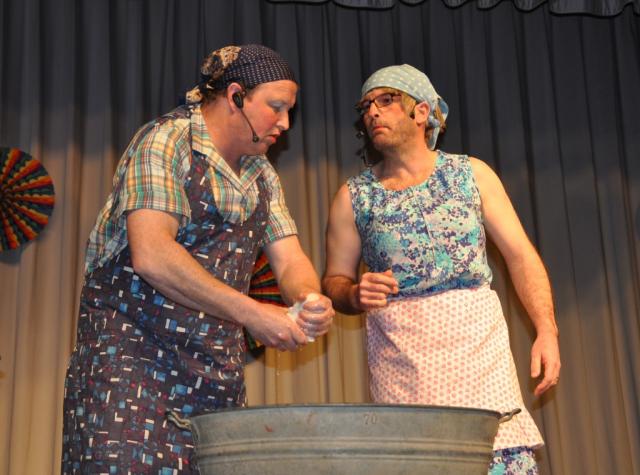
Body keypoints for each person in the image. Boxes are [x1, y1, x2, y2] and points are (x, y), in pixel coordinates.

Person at [62, 44, 334, 473]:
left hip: (213, 374)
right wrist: (253, 313)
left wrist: (308, 300)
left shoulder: (261, 173)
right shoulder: (166, 141)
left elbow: (290, 260)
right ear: (236, 96)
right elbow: (152, 254)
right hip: (131, 365)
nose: (285, 123)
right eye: (276, 107)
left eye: (289, 111)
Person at [322, 64, 561, 473]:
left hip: (479, 357)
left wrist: (546, 329)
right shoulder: (354, 196)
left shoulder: (472, 174)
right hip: (402, 366)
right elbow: (333, 281)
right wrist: (354, 294)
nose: (372, 112)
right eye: (366, 106)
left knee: (499, 460)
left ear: (421, 111)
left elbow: (520, 255)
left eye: (386, 100)